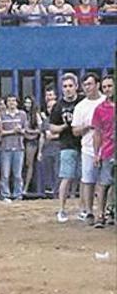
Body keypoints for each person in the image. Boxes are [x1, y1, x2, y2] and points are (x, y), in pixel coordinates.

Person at [71, 73, 105, 224]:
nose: (87, 88)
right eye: (85, 85)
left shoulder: (106, 101)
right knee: (88, 180)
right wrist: (88, 126)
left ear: (97, 85)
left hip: (107, 148)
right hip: (88, 148)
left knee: (106, 181)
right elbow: (75, 131)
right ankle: (89, 211)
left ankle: (104, 211)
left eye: (90, 84)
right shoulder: (80, 107)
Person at [49, 74, 82, 223]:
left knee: (85, 179)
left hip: (84, 144)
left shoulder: (83, 102)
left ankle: (84, 209)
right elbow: (52, 127)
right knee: (66, 177)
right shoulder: (58, 106)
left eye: (70, 86)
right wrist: (64, 126)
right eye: (65, 86)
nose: (68, 89)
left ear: (76, 86)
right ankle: (62, 209)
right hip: (67, 144)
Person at [90, 75, 114, 228]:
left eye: (110, 86)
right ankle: (100, 214)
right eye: (104, 87)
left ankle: (112, 213)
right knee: (104, 183)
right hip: (108, 151)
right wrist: (96, 153)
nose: (107, 89)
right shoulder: (100, 109)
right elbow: (97, 133)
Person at [0, 95, 27, 202]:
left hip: (19, 147)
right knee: (5, 174)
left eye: (14, 101)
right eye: (9, 101)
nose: (11, 103)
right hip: (6, 148)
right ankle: (5, 195)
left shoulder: (22, 114)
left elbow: (27, 130)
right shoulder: (2, 115)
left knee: (18, 174)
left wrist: (20, 130)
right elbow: (0, 132)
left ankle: (18, 194)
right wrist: (13, 131)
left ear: (17, 103)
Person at [21, 96, 42, 195]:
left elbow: (40, 130)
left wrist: (29, 131)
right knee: (22, 164)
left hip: (31, 142)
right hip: (22, 140)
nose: (27, 105)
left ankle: (26, 187)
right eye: (26, 103)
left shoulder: (36, 115)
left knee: (29, 164)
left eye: (29, 103)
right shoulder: (22, 114)